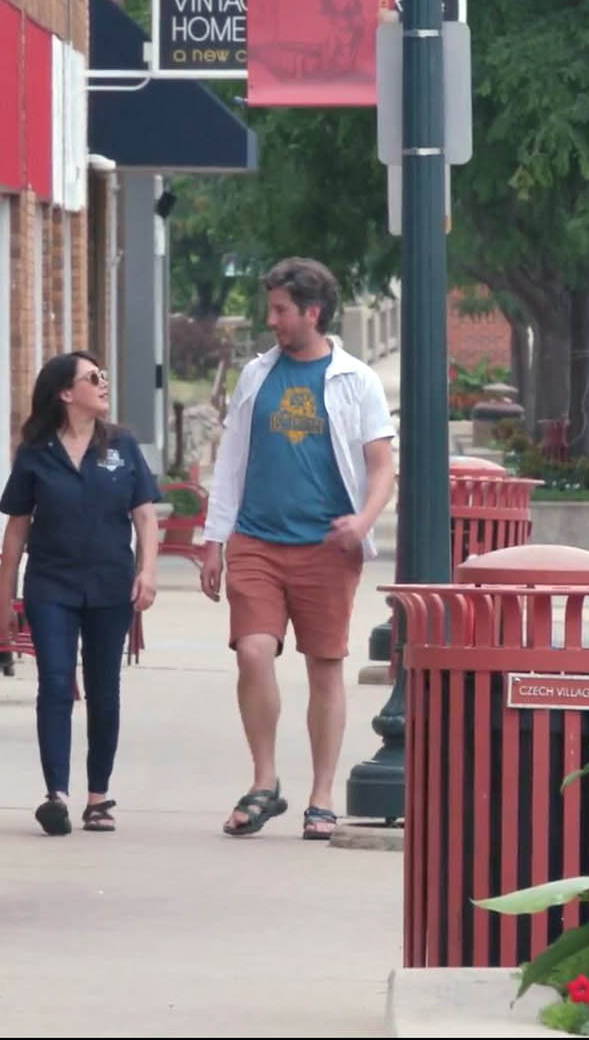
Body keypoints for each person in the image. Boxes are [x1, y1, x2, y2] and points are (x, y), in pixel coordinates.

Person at [200, 257, 396, 841]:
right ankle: (265, 782)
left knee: (325, 668)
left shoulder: (354, 379)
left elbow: (382, 466)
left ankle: (321, 795)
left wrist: (362, 522)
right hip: (256, 538)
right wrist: (214, 539)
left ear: (313, 312)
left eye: (282, 310)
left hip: (327, 544)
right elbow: (232, 459)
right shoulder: (258, 376)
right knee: (254, 652)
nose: (272, 321)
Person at [0, 352, 161, 836]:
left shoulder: (122, 446)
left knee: (104, 689)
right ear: (66, 393)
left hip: (111, 585)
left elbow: (146, 516)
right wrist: (5, 597)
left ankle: (98, 797)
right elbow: (16, 530)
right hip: (51, 585)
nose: (103, 383)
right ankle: (57, 795)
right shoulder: (36, 452)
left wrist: (146, 572)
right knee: (54, 682)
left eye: (104, 375)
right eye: (93, 378)